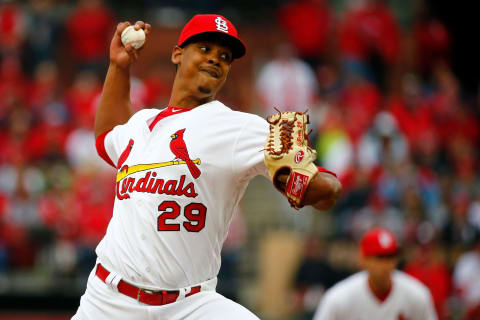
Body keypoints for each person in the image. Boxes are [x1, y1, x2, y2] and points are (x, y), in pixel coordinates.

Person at [72, 14, 341, 319]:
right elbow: (107, 136)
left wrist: (297, 172)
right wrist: (119, 67)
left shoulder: (239, 128)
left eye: (224, 57)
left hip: (191, 305)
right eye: (204, 49)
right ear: (177, 54)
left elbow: (327, 193)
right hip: (108, 300)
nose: (215, 59)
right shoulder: (140, 124)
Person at [313, 227, 437, 320]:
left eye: (390, 256)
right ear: (363, 260)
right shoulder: (339, 298)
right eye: (379, 257)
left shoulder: (417, 295)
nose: (386, 264)